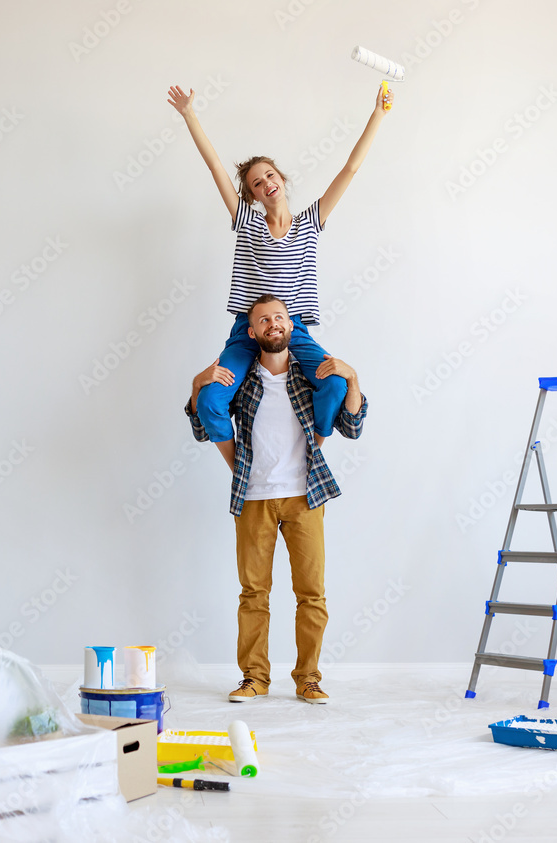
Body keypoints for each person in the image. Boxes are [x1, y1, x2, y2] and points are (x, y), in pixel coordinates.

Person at [166, 82, 390, 470]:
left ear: (281, 179)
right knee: (210, 400)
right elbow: (215, 166)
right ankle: (239, 466)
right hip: (246, 329)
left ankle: (313, 449)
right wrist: (189, 115)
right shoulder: (247, 220)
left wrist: (378, 114)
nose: (266, 183)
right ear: (252, 196)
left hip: (294, 328)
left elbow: (350, 168)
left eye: (270, 175)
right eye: (256, 182)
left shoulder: (310, 223)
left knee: (335, 384)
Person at [185, 294, 367, 704]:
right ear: (252, 332)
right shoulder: (240, 378)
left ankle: (308, 679)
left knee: (312, 593)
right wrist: (197, 382)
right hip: (253, 499)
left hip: (306, 496)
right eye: (263, 320)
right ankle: (254, 678)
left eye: (279, 318)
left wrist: (353, 378)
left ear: (292, 326)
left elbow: (352, 425)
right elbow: (202, 424)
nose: (273, 324)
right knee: (253, 594)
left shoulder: (313, 377)